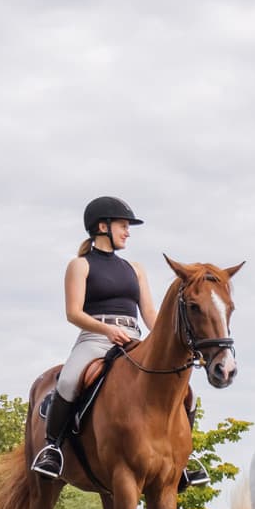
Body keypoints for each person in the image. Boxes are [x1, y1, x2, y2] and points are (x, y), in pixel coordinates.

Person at [32, 197, 160, 478]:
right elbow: (73, 313)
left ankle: (182, 457)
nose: (128, 232)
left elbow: (149, 312)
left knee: (184, 390)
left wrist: (164, 339)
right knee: (67, 381)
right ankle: (52, 449)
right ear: (103, 226)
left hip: (133, 339)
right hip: (95, 338)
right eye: (123, 226)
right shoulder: (80, 265)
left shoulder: (135, 268)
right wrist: (107, 330)